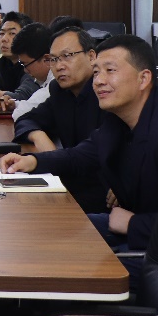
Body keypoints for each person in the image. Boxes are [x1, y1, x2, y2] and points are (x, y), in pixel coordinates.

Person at [1, 36, 158, 288]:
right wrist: (32, 161)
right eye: (96, 72)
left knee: (50, 264)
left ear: (143, 79)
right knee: (42, 231)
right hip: (127, 227)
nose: (98, 81)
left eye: (110, 71)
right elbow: (80, 155)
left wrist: (131, 223)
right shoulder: (119, 118)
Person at [10, 27, 108, 213]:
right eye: (54, 59)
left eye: (67, 56)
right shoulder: (60, 91)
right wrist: (39, 136)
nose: (59, 66)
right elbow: (26, 119)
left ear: (91, 56)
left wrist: (37, 160)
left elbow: (89, 155)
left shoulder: (106, 93)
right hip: (71, 181)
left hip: (101, 194)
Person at [0, 22, 55, 119]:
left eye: (26, 64)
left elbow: (21, 114)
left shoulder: (56, 82)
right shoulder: (45, 79)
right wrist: (14, 104)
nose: (25, 70)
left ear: (47, 59)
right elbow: (34, 104)